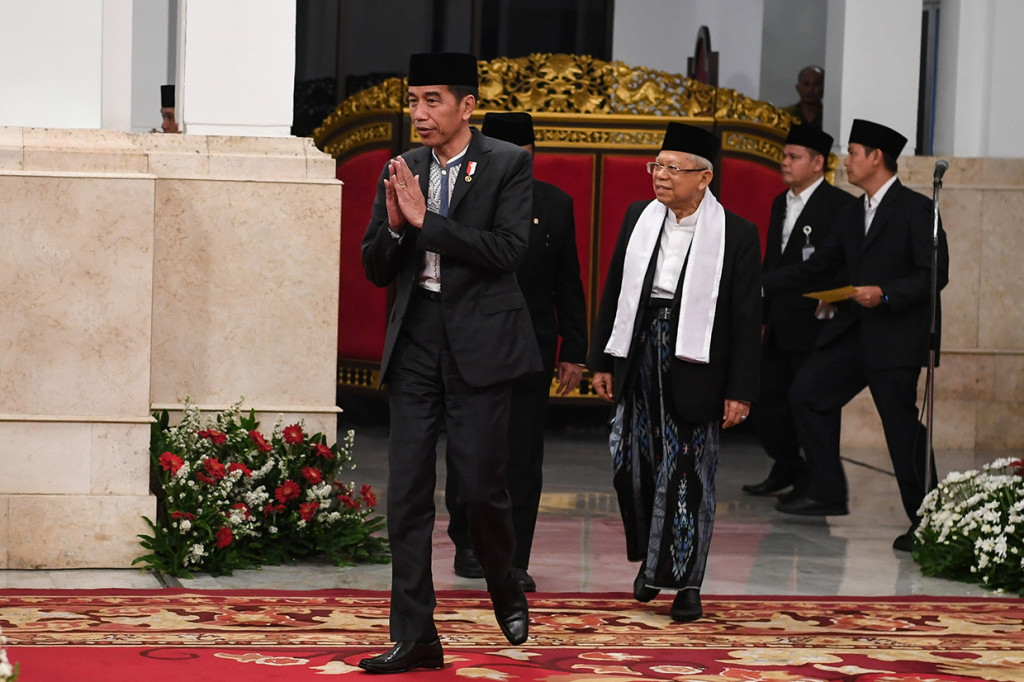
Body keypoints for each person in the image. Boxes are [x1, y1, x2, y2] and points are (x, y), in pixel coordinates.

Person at [358, 52, 540, 674]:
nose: (420, 113)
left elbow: (508, 251)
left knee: (480, 489)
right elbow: (374, 266)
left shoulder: (507, 163)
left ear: (467, 106)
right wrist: (395, 229)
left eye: (432, 100)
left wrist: (425, 222)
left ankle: (504, 582)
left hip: (480, 345)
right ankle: (416, 635)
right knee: (406, 496)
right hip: (416, 341)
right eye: (414, 101)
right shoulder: (402, 167)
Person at [589, 122, 761, 622]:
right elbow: (615, 287)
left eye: (672, 169)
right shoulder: (639, 217)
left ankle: (688, 583)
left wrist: (741, 390)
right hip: (640, 347)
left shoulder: (737, 234)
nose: (660, 176)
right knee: (635, 463)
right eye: (656, 166)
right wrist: (603, 360)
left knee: (689, 471)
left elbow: (746, 318)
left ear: (704, 178)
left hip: (697, 362)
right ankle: (653, 560)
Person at [764, 119, 949, 553]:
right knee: (807, 394)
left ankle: (929, 520)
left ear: (876, 158)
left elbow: (933, 275)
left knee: (901, 428)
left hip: (895, 339)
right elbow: (818, 268)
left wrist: (884, 293)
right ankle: (828, 489)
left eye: (852, 153)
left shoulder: (915, 209)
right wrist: (756, 284)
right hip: (852, 334)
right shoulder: (851, 212)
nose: (845, 162)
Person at [445, 112, 589, 593]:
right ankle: (467, 543)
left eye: (522, 157)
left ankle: (513, 558)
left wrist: (574, 349)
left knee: (523, 456)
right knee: (470, 449)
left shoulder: (554, 202)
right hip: (471, 342)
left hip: (531, 347)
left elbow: (568, 279)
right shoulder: (461, 199)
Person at [742, 125, 855, 500]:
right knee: (769, 406)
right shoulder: (780, 202)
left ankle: (813, 479)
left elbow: (840, 264)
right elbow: (772, 261)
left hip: (816, 325)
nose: (785, 163)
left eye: (794, 157)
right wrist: (759, 313)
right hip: (779, 321)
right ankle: (787, 465)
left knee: (807, 404)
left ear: (818, 163)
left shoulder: (840, 205)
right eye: (784, 156)